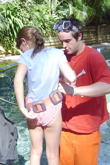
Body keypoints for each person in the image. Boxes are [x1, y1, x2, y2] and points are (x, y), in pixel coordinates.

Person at [53, 18, 110, 165]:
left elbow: (108, 86)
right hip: (62, 127)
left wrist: (74, 90)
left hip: (86, 130)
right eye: (61, 41)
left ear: (79, 36)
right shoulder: (60, 57)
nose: (64, 45)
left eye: (68, 41)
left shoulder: (93, 57)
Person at [14, 26, 76, 165]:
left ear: (23, 41)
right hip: (51, 108)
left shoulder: (25, 56)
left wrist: (22, 109)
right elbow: (71, 77)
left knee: (35, 152)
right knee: (52, 155)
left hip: (32, 110)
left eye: (20, 47)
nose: (22, 50)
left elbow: (17, 81)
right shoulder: (56, 53)